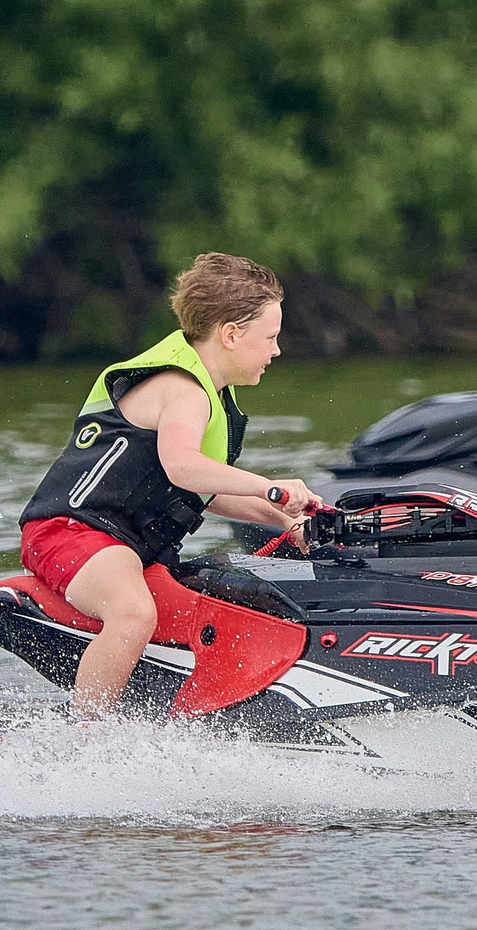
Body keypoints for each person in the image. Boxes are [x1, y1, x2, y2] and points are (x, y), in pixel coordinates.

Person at [18, 253, 318, 716]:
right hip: (69, 532)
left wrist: (289, 519)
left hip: (124, 547)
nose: (277, 350)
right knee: (135, 614)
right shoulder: (184, 389)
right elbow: (183, 468)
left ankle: (196, 721)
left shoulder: (212, 393)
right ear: (232, 334)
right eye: (271, 337)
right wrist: (269, 487)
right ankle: (81, 742)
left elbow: (206, 491)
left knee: (227, 612)